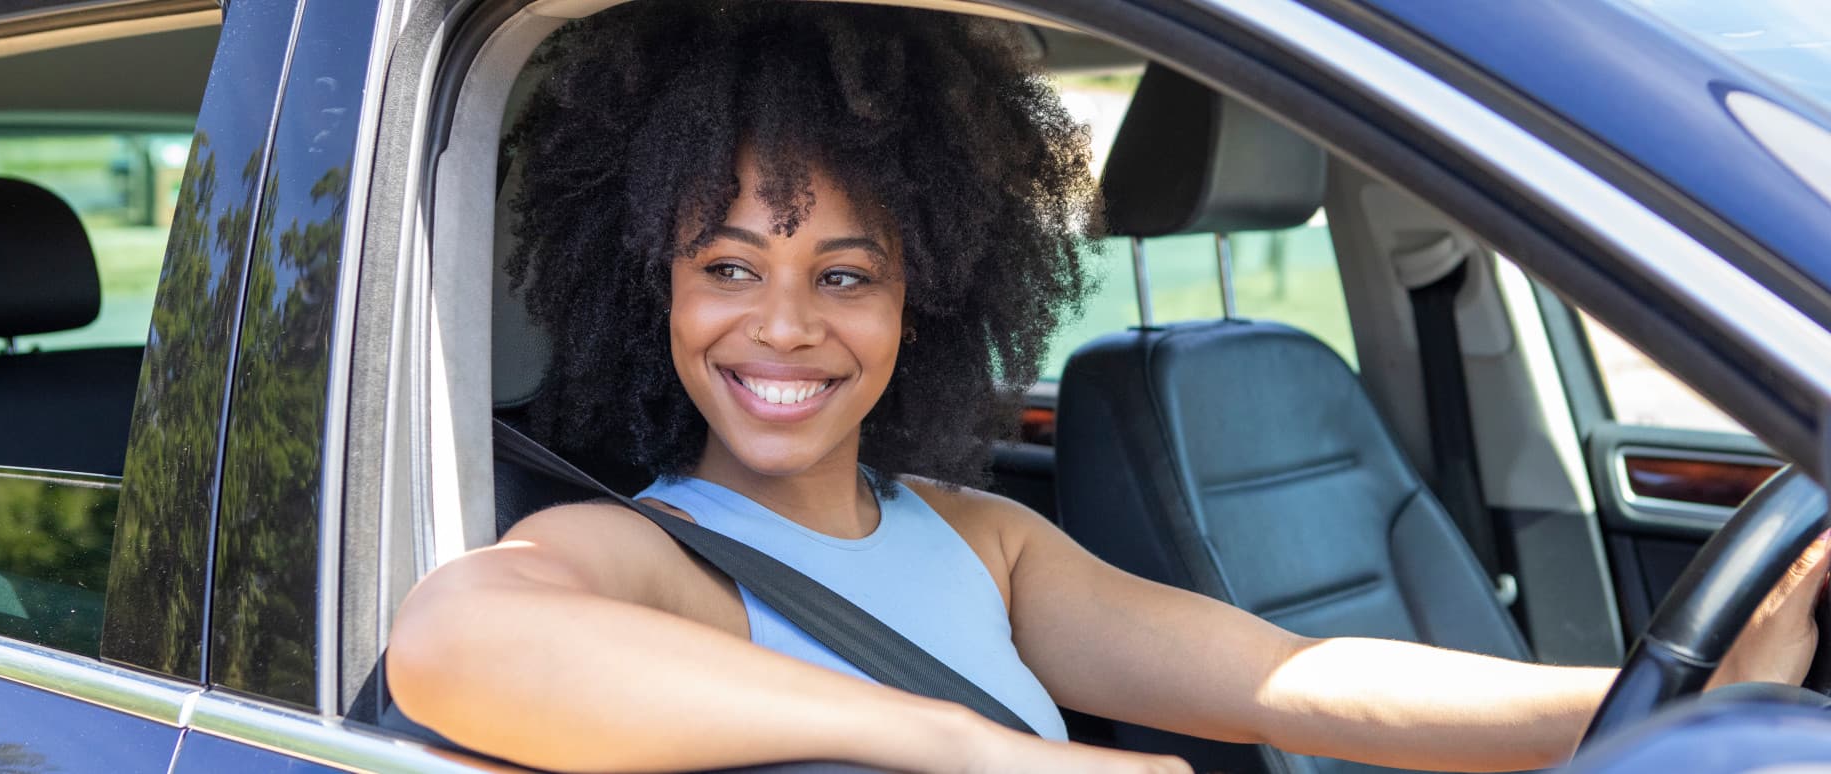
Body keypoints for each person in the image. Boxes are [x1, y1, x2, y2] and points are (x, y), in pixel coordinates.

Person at [387, 3, 1830, 772]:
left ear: (921, 295)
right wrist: (965, 753)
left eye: (845, 273)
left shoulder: (979, 538)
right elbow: (455, 638)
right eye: (727, 266)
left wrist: (1663, 706)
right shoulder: (648, 556)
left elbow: (1303, 685)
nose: (784, 328)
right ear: (654, 286)